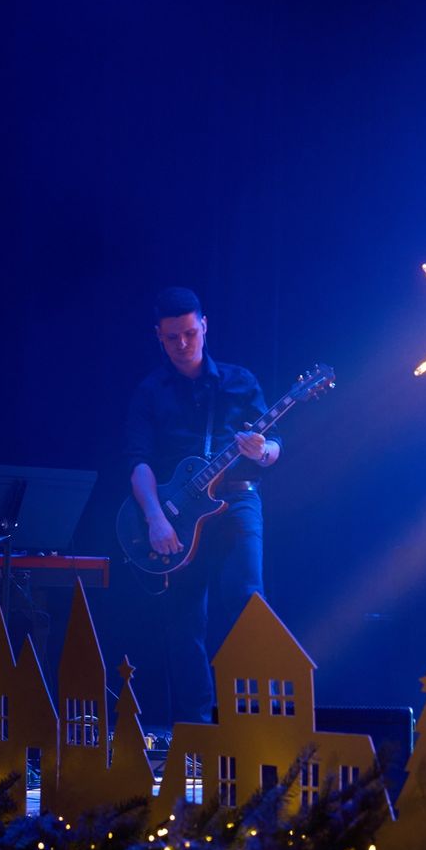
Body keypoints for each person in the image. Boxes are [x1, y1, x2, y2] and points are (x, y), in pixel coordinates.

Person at [126, 286, 280, 725]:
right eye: (172, 337)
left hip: (236, 501)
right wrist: (155, 518)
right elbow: (138, 462)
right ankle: (194, 730)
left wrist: (261, 451)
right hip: (176, 514)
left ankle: (256, 722)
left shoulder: (239, 381)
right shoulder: (150, 392)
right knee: (183, 621)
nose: (182, 344)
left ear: (204, 326)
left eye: (190, 334)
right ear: (158, 336)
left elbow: (274, 446)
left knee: (247, 602)